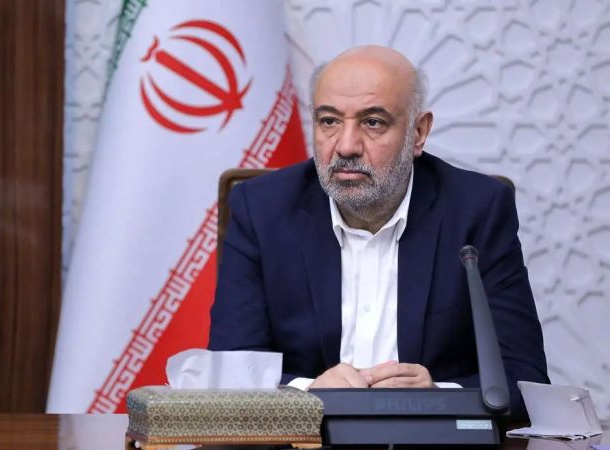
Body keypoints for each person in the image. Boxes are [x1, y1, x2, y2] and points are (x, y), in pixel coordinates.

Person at [208, 45, 548, 417]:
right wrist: (308, 393)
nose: (346, 146)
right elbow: (230, 376)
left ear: (418, 132)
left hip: (432, 442)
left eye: (372, 122)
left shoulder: (477, 211)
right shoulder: (263, 210)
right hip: (306, 442)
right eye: (329, 121)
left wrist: (438, 396)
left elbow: (525, 380)